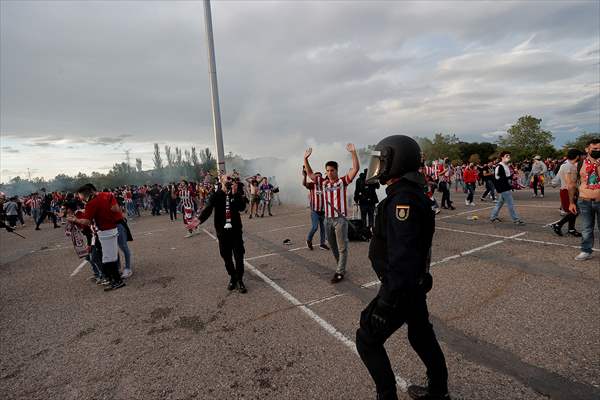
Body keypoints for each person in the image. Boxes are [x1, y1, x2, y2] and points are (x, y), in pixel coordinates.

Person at [356, 135, 450, 400]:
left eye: (381, 161)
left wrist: (386, 302)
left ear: (396, 162)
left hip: (401, 287)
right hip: (412, 285)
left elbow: (403, 256)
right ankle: (438, 391)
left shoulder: (402, 201)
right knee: (420, 335)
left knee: (366, 340)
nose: (377, 166)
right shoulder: (407, 194)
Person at [304, 143, 359, 283]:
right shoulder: (323, 183)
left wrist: (353, 153)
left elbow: (355, 169)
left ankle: (340, 271)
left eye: (332, 170)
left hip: (339, 219)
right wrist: (306, 159)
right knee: (333, 246)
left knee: (342, 247)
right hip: (327, 219)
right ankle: (340, 266)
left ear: (337, 170)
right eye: (327, 170)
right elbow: (310, 174)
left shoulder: (342, 182)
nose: (330, 173)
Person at [68, 184, 125, 291]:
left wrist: (75, 220)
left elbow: (87, 221)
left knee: (108, 258)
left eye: (80, 196)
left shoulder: (91, 203)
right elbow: (115, 208)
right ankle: (114, 279)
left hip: (104, 231)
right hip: (112, 228)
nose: (80, 199)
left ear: (84, 195)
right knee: (110, 256)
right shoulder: (107, 195)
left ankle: (117, 281)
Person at [198, 174, 248, 293]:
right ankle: (232, 277)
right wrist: (198, 221)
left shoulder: (235, 194)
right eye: (227, 179)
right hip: (222, 233)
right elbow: (208, 210)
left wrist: (236, 193)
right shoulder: (216, 195)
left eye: (231, 179)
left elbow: (242, 208)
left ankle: (240, 279)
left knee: (239, 256)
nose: (230, 181)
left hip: (236, 232)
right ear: (221, 181)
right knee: (226, 257)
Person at [569, 138, 600, 261]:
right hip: (584, 201)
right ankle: (586, 250)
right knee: (586, 228)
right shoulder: (578, 164)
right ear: (587, 149)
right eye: (595, 149)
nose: (598, 151)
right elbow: (571, 184)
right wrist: (571, 202)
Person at [550, 149, 583, 237]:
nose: (582, 157)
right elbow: (570, 183)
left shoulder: (566, 165)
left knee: (573, 211)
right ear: (577, 156)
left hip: (568, 190)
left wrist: (554, 183)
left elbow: (557, 178)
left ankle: (571, 229)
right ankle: (558, 225)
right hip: (567, 190)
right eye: (581, 155)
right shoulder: (569, 166)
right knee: (574, 211)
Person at [490, 151, 525, 225]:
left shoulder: (506, 166)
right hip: (503, 188)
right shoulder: (499, 166)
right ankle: (516, 219)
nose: (508, 157)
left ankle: (493, 217)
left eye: (509, 156)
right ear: (502, 157)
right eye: (507, 156)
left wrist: (512, 177)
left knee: (499, 203)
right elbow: (496, 178)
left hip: (506, 187)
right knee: (510, 204)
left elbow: (506, 177)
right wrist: (499, 189)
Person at [302, 169, 329, 250]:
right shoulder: (312, 185)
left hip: (323, 211)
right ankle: (309, 240)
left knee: (323, 228)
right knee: (315, 227)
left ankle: (322, 244)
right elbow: (304, 184)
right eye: (316, 176)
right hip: (315, 211)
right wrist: (305, 176)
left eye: (320, 176)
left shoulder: (325, 185)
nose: (318, 178)